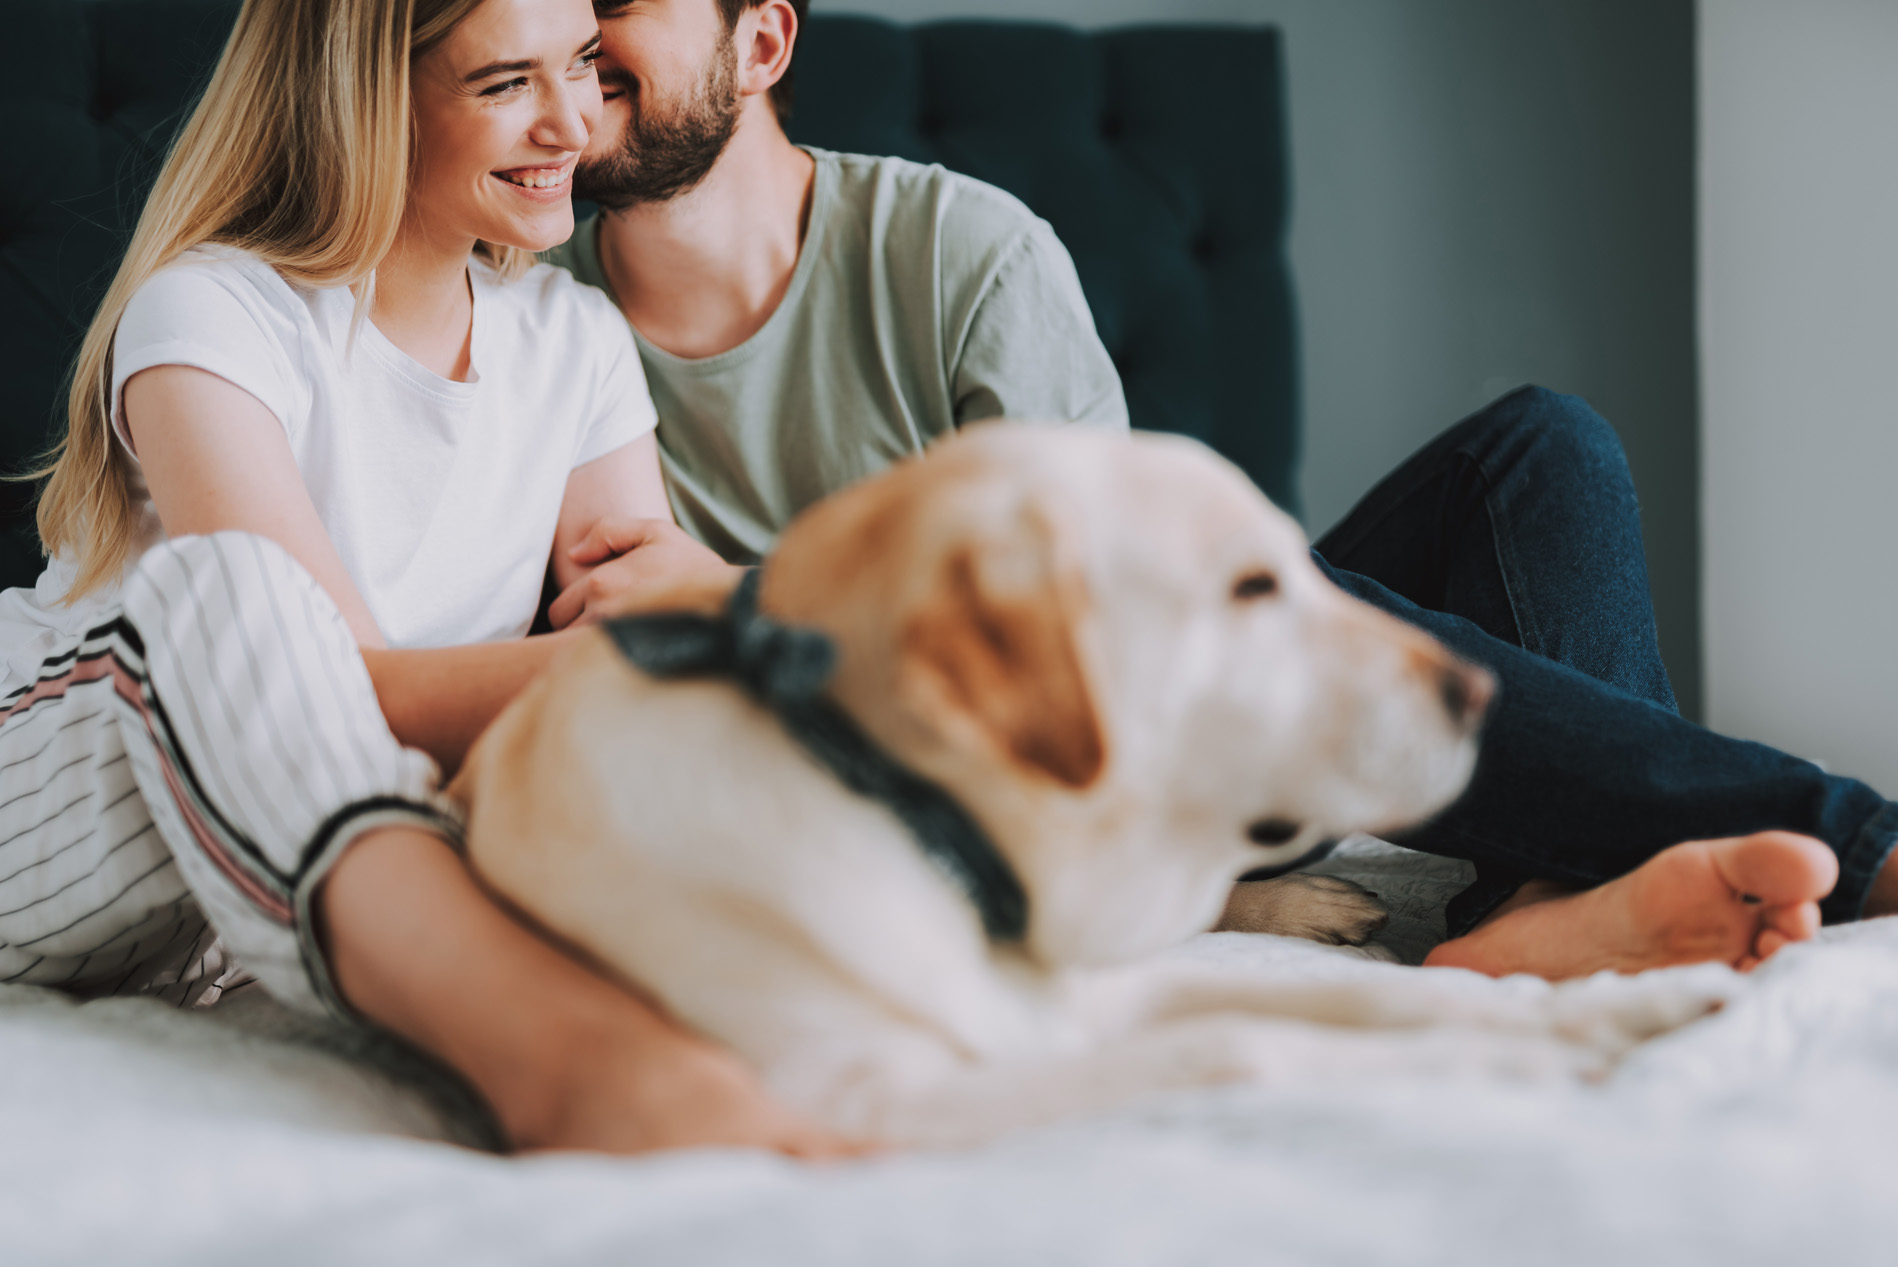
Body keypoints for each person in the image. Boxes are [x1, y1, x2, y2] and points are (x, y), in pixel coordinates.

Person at [548, 0, 1896, 977]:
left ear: (761, 42)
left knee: (1536, 448)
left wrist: (740, 592)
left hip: (1131, 728)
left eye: (618, 5)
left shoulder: (963, 252)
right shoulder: (538, 334)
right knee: (1283, 608)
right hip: (926, 782)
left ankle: (1548, 887)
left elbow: (1113, 614)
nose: (575, 49)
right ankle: (1830, 846)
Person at [0, 0, 859, 1159]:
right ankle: (555, 1061)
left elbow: (632, 655)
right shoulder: (213, 310)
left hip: (271, 895)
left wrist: (696, 635)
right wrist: (681, 652)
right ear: (365, 102)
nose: (572, 124)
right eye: (507, 84)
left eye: (584, 67)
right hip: (57, 796)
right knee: (230, 602)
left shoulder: (575, 344)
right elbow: (345, 681)